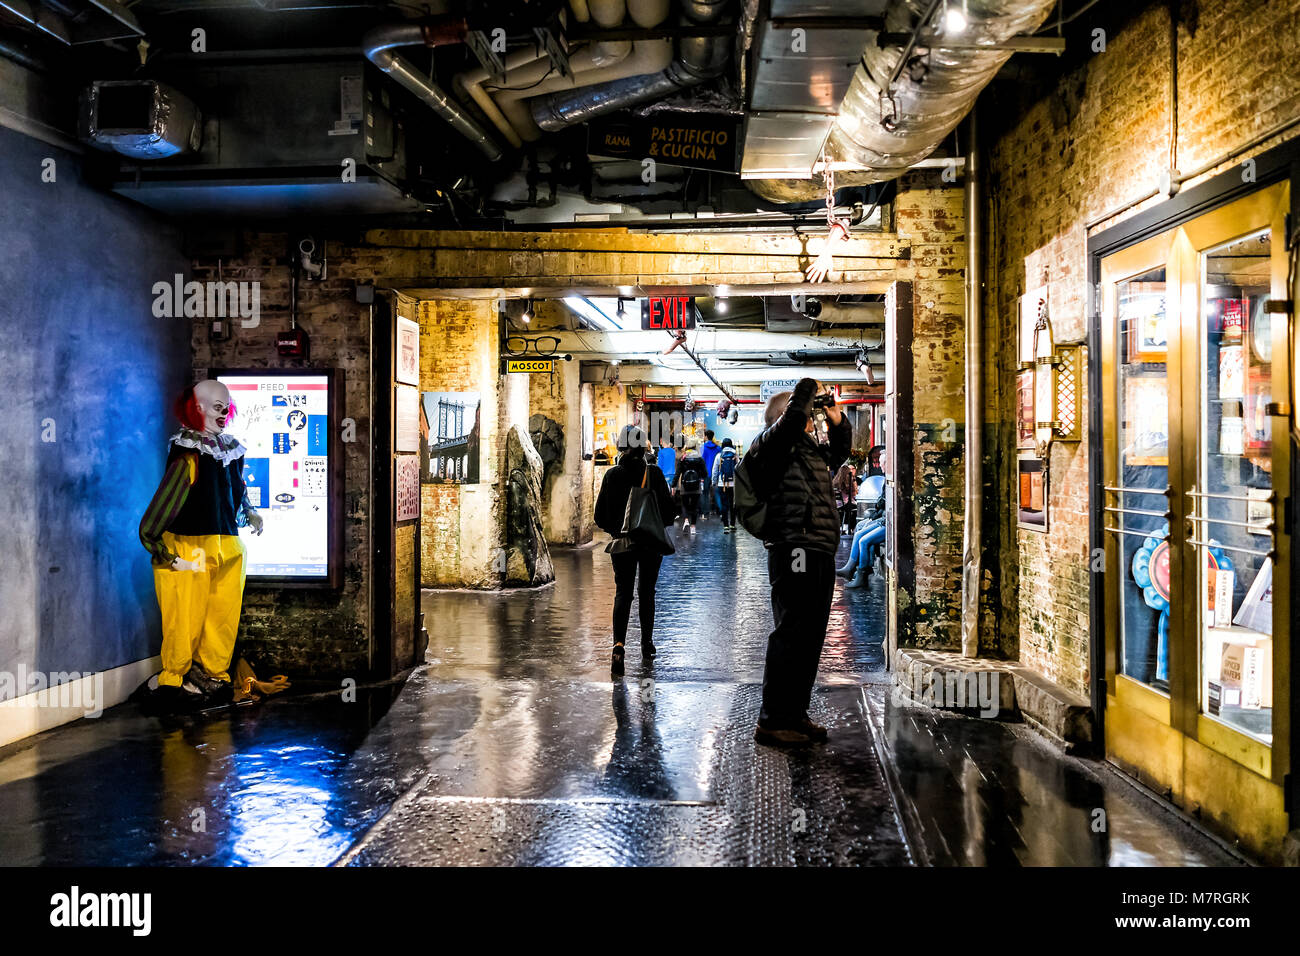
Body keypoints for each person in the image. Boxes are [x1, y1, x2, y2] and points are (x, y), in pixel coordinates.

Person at [138, 380, 263, 711]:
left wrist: (249, 512)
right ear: (199, 408)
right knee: (185, 616)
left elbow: (237, 488)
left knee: (222, 616)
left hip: (228, 543)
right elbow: (170, 496)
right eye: (216, 406)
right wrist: (155, 542)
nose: (223, 413)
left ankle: (213, 676)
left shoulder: (230, 449)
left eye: (226, 406)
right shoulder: (189, 452)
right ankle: (173, 682)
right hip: (189, 545)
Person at [744, 378, 851, 746]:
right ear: (785, 418)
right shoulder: (770, 447)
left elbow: (841, 452)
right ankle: (772, 719)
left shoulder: (809, 452)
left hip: (818, 547)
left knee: (810, 636)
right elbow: (791, 421)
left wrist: (835, 416)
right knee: (792, 632)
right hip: (794, 550)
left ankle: (795, 714)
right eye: (806, 414)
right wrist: (807, 386)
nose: (810, 420)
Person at [595, 425, 679, 677]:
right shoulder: (653, 474)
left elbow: (600, 516)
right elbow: (668, 512)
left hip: (622, 544)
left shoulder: (612, 475)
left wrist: (617, 530)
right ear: (644, 445)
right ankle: (646, 644)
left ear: (621, 446)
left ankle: (618, 646)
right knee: (647, 592)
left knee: (623, 593)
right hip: (650, 543)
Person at [837, 481, 886, 588]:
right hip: (883, 518)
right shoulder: (886, 482)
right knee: (860, 532)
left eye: (883, 463)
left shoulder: (889, 482)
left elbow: (882, 504)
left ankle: (861, 574)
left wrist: (878, 507)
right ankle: (851, 568)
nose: (881, 464)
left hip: (886, 521)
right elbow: (881, 505)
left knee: (863, 540)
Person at [675, 442, 708, 534]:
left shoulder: (683, 458)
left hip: (684, 485)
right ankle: (693, 527)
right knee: (694, 506)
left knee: (685, 504)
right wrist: (699, 476)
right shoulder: (699, 458)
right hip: (696, 485)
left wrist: (674, 485)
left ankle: (686, 520)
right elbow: (705, 473)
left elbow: (678, 473)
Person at [711, 437, 739, 531]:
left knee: (724, 504)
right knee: (732, 504)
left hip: (721, 483)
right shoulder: (735, 455)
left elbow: (715, 470)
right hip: (733, 484)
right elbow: (738, 468)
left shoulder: (719, 455)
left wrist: (714, 482)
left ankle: (725, 525)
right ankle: (732, 524)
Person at [699, 429, 721, 516]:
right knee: (717, 492)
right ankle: (720, 510)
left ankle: (705, 511)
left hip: (706, 473)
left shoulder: (702, 447)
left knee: (705, 492)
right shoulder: (718, 448)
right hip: (716, 473)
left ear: (706, 437)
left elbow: (701, 461)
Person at [833, 462, 859, 536]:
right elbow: (855, 494)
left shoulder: (835, 481)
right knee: (857, 508)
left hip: (837, 504)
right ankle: (850, 527)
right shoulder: (849, 481)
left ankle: (844, 526)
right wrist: (854, 482)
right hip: (845, 504)